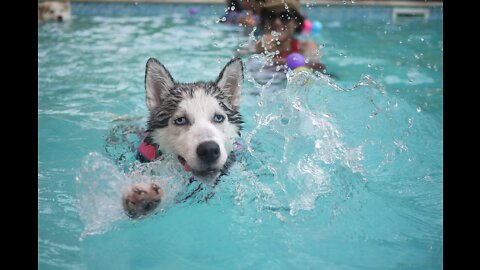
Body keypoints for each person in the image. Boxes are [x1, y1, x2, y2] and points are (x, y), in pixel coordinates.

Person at [256, 0, 327, 73]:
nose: (277, 22)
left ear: (296, 22)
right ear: (264, 22)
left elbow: (318, 70)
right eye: (271, 16)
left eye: (285, 16)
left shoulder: (305, 47)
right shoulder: (257, 46)